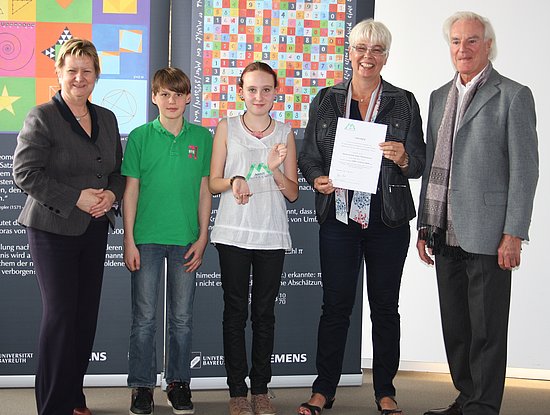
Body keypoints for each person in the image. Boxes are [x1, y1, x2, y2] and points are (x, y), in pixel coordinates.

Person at [297, 19, 425, 415]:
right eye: (361, 49)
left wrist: (403, 157)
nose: (368, 57)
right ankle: (324, 389)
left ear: (386, 57)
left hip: (387, 220)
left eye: (377, 50)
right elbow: (308, 154)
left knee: (385, 307)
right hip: (339, 218)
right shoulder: (326, 99)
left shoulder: (403, 100)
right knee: (335, 305)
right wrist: (317, 177)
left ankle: (385, 390)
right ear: (349, 53)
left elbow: (419, 160)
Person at [416, 11, 538, 415]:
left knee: (487, 329)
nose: (462, 49)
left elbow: (525, 171)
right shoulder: (438, 97)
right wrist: (424, 225)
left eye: (471, 41)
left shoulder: (513, 95)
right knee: (457, 329)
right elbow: (434, 159)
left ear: (488, 45)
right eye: (455, 41)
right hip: (444, 230)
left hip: (489, 233)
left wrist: (513, 232)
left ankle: (484, 406)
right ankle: (467, 398)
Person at [12, 38, 124, 415]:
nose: (79, 78)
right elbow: (24, 173)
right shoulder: (42, 116)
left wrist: (111, 195)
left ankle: (73, 396)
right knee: (60, 315)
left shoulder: (107, 118)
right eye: (72, 70)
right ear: (59, 72)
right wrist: (74, 197)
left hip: (93, 228)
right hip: (51, 229)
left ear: (96, 76)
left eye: (87, 71)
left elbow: (117, 173)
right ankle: (53, 406)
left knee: (84, 315)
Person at [209, 61, 298, 415]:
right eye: (252, 89)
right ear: (240, 92)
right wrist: (234, 182)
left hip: (271, 233)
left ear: (276, 92)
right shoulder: (227, 127)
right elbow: (214, 181)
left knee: (264, 314)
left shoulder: (285, 133)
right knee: (234, 313)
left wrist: (273, 170)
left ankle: (260, 389)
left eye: (265, 89)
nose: (258, 96)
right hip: (232, 232)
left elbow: (292, 192)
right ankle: (236, 391)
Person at [122, 67, 212, 415]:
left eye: (178, 94)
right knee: (143, 318)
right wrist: (129, 240)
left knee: (182, 318)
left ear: (188, 97)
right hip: (146, 239)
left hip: (186, 239)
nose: (171, 100)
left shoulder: (203, 138)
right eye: (164, 94)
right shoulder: (140, 136)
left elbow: (206, 191)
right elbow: (131, 191)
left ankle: (177, 382)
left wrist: (203, 237)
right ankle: (142, 386)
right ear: (154, 97)